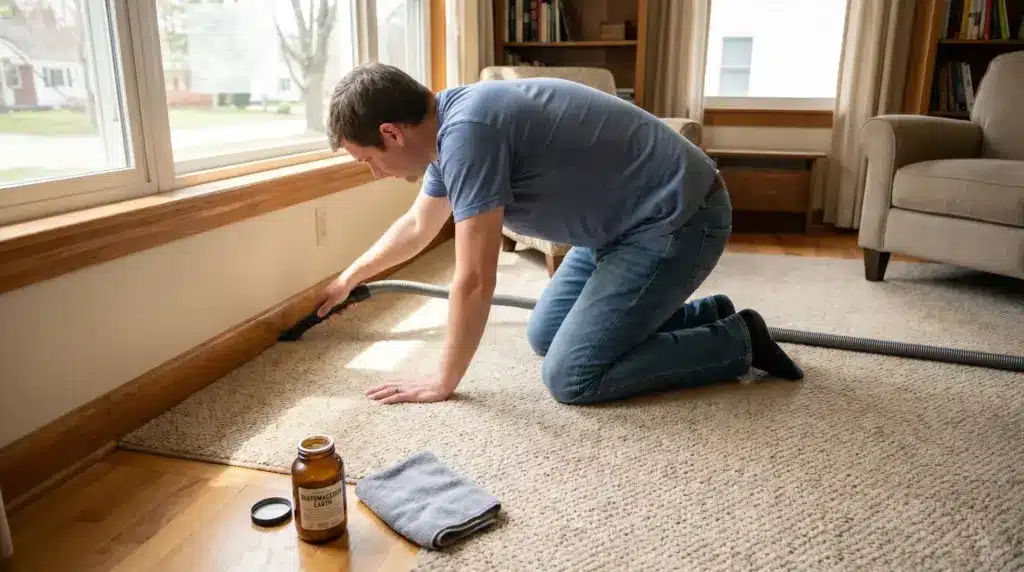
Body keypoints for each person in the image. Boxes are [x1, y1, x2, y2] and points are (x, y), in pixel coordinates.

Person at [317, 62, 803, 406]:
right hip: (617, 231)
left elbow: (474, 279)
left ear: (392, 134)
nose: (376, 172)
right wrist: (348, 279)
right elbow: (418, 226)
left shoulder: (469, 133)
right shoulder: (448, 135)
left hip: (678, 219)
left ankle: (736, 341)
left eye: (369, 160)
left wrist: (443, 380)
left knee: (572, 376)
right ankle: (706, 314)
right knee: (545, 334)